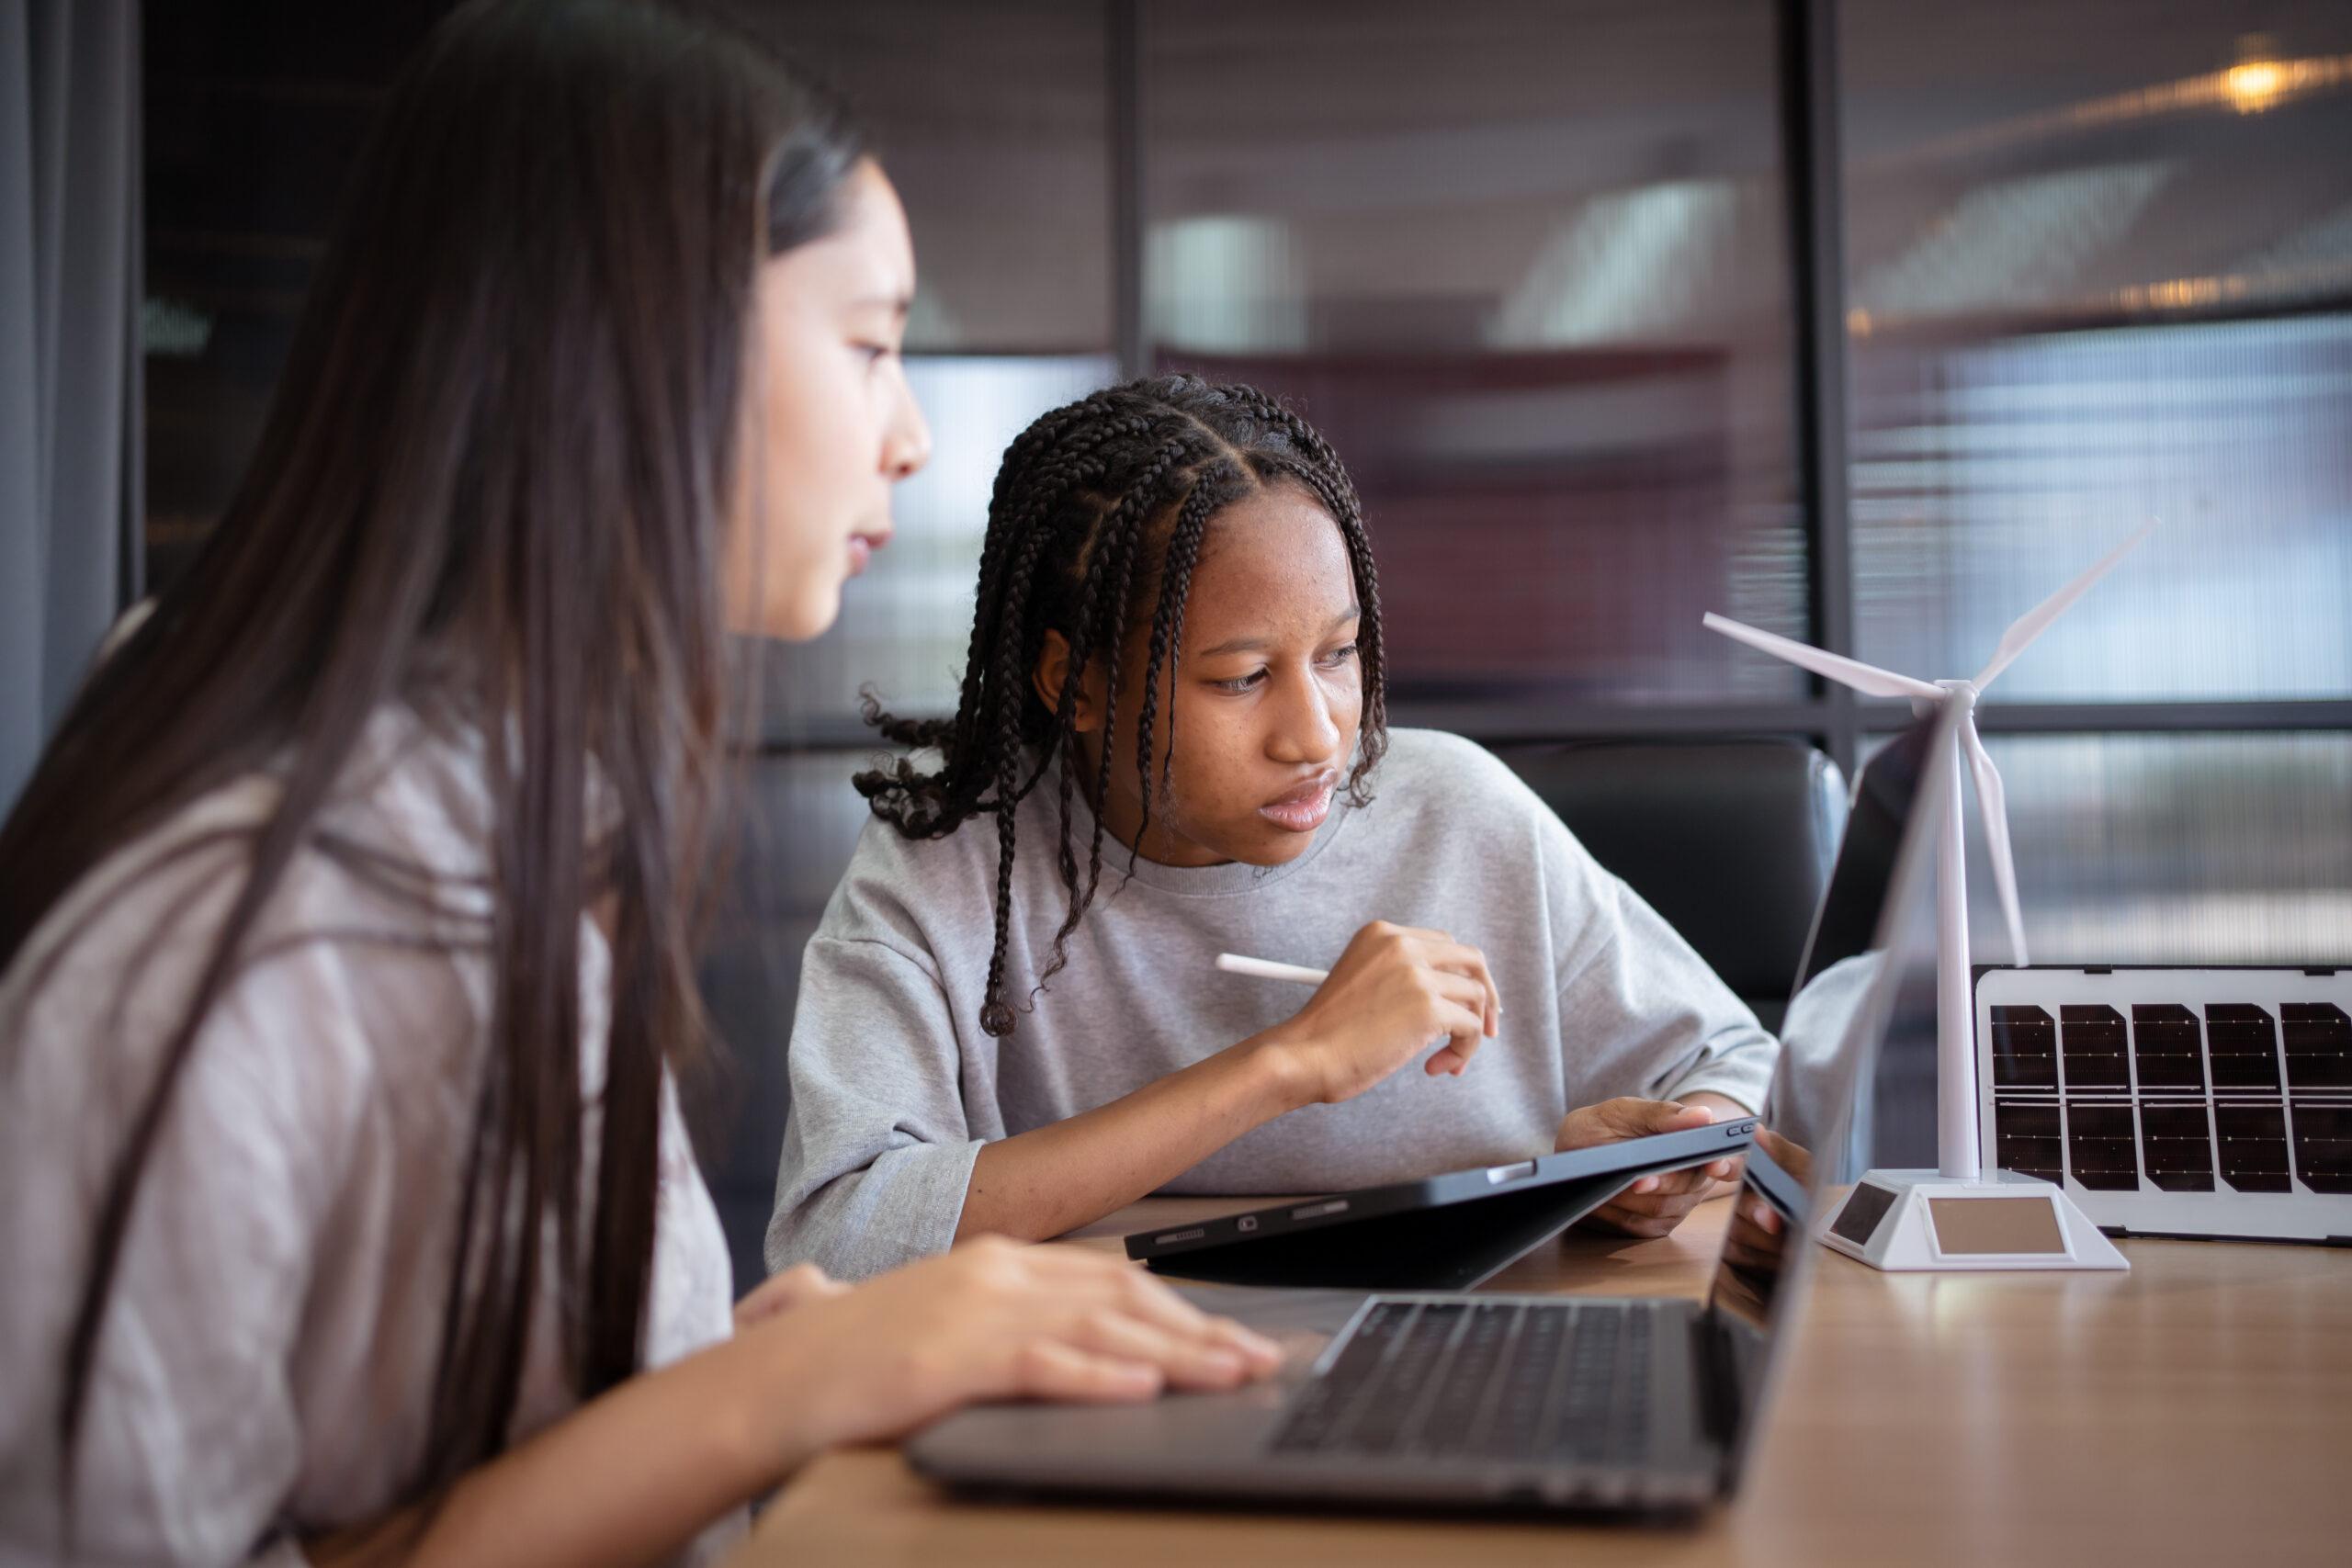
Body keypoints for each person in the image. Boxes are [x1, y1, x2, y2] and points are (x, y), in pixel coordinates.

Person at [0, 6, 1275, 1565]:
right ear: (641, 337)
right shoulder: (228, 921)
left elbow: (419, 1446)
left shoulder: (511, 798)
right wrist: (764, 1393)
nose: (912, 433)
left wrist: (732, 1377)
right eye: (870, 344)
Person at [767, 375, 1778, 1282]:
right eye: (1241, 678)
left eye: (1338, 655)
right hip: (1102, 1394)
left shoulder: (1461, 815)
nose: (1316, 735)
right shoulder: (951, 860)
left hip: (1460, 1362)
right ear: (1068, 684)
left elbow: (1746, 1067)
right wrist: (1284, 1066)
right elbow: (838, 1235)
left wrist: (1657, 1157)